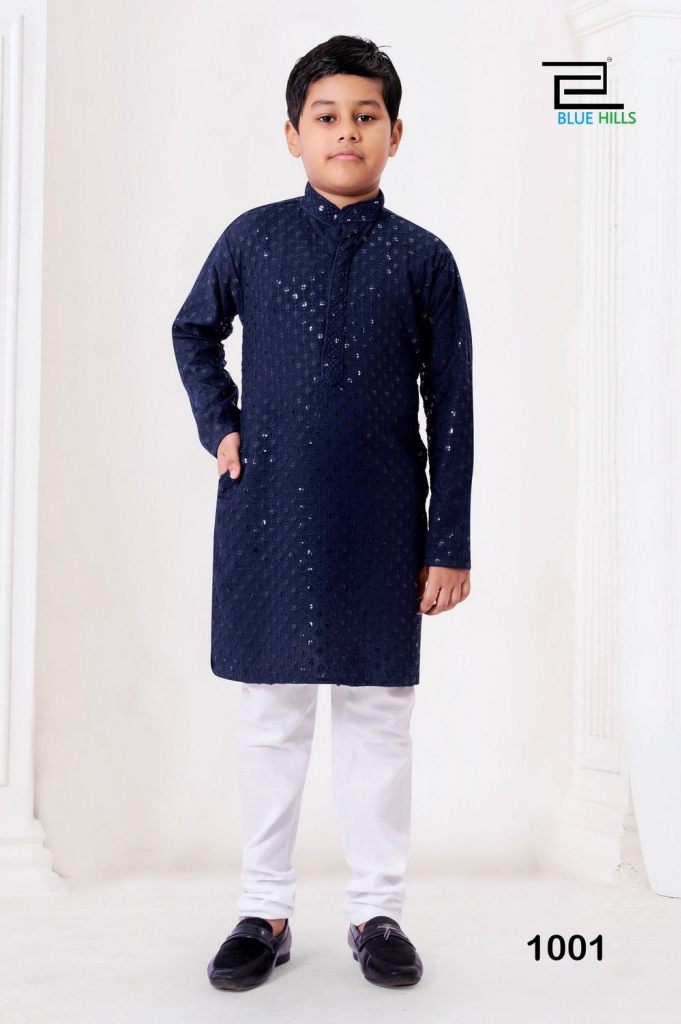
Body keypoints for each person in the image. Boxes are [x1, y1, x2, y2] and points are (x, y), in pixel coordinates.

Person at [172, 34, 474, 991]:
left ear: (396, 134)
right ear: (293, 134)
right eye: (327, 116)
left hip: (384, 517)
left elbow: (453, 408)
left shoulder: (424, 259)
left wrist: (449, 541)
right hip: (269, 512)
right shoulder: (253, 238)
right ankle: (263, 908)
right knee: (272, 714)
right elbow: (193, 330)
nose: (347, 132)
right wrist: (221, 425)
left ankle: (377, 910)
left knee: (380, 716)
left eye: (366, 116)